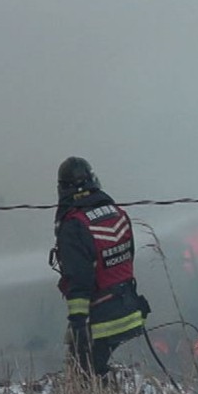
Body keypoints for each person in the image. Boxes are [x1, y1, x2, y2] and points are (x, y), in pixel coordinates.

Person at [50, 157, 150, 381]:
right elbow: (127, 259)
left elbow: (79, 280)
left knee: (83, 377)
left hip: (101, 322)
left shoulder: (74, 226)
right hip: (130, 310)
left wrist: (78, 326)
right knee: (97, 372)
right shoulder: (117, 214)